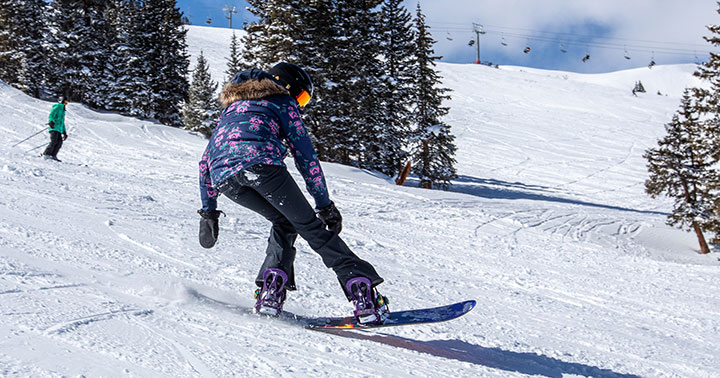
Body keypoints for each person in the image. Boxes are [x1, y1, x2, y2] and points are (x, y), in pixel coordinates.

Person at [197, 62, 389, 324]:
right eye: (301, 96)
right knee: (312, 228)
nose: (300, 104)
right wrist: (324, 205)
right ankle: (361, 288)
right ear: (286, 86)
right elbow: (306, 157)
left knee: (285, 221)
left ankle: (271, 289)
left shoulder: (232, 108)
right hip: (261, 167)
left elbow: (205, 162)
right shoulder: (281, 101)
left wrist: (209, 212)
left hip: (226, 179)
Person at [42, 97, 68, 161]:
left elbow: (62, 122)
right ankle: (46, 154)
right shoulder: (58, 106)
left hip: (59, 129)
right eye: (65, 102)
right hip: (54, 127)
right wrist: (51, 121)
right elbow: (51, 115)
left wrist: (64, 131)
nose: (66, 104)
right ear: (61, 101)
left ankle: (53, 155)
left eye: (66, 103)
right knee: (54, 141)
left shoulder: (63, 110)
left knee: (59, 142)